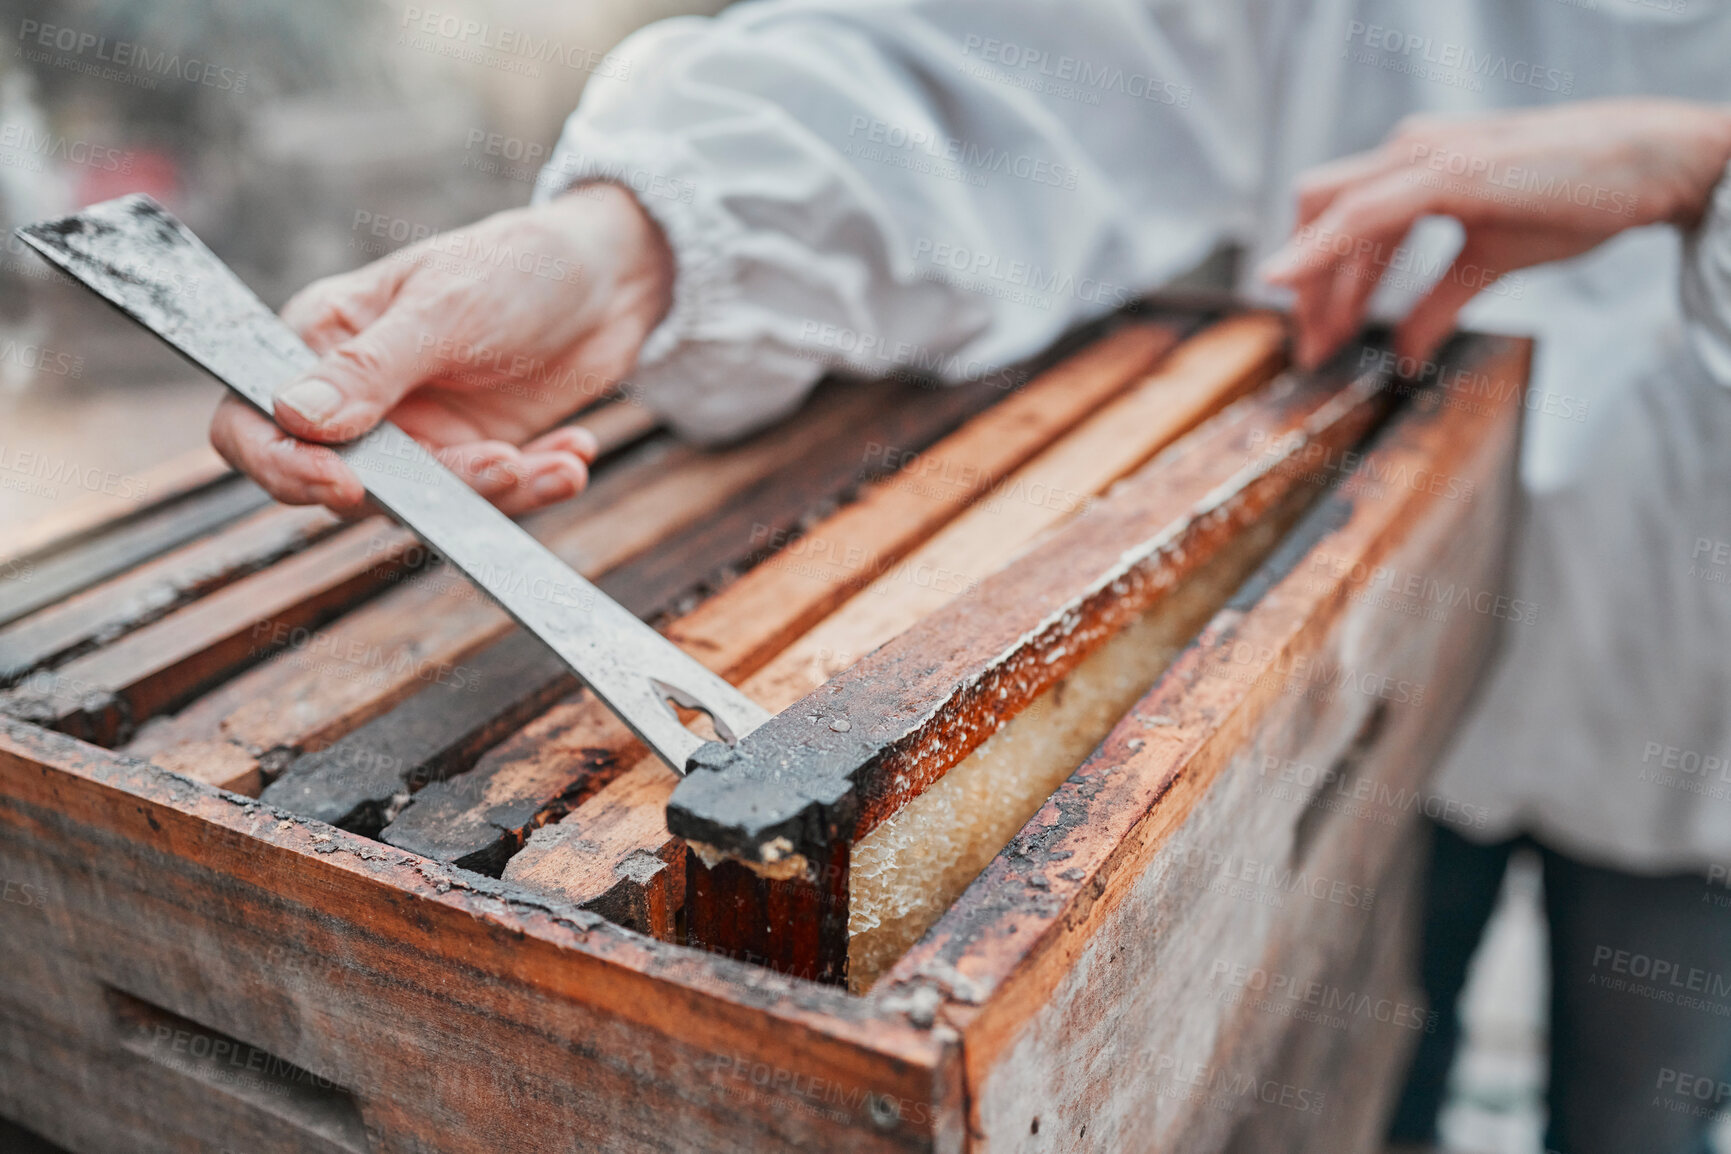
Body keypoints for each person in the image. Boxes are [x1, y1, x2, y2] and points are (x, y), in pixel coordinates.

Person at [208, 2, 1731, 1149]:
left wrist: (1703, 172)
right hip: (1394, 673)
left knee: (1639, 1099)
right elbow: (1020, 55)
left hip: (1705, 755)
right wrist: (635, 248)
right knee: (1368, 1048)